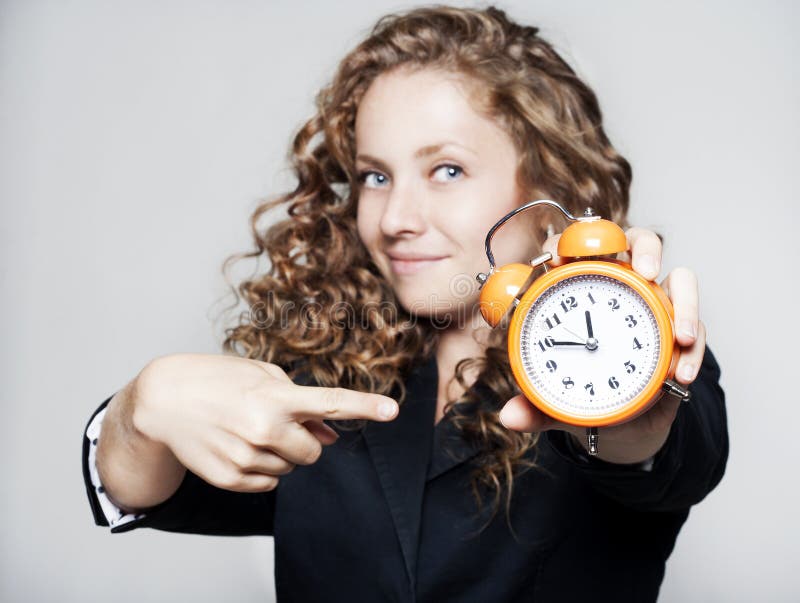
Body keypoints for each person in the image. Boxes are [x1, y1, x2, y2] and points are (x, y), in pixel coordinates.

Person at [82, 5, 728, 602]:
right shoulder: (320, 371)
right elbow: (142, 486)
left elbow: (661, 453)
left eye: (447, 169)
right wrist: (140, 409)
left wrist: (627, 407)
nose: (395, 218)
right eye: (375, 175)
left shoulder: (640, 354)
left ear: (549, 186)